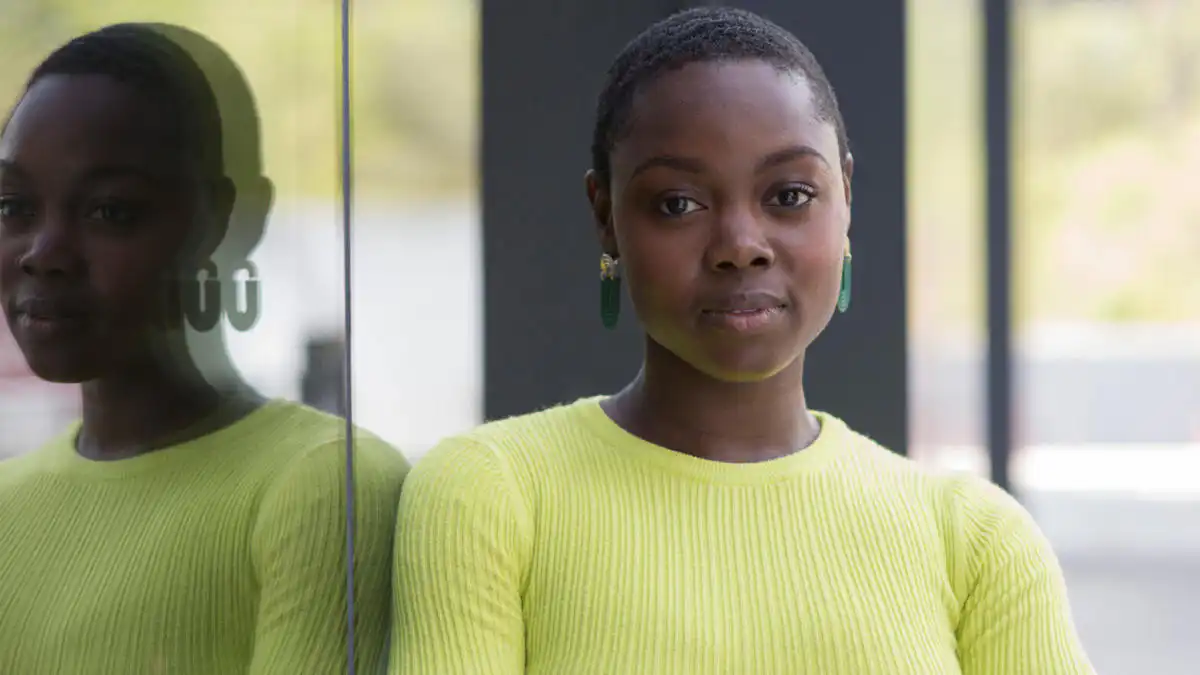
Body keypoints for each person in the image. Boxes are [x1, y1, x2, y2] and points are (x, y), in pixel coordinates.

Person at [390, 7, 1093, 675]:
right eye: (679, 204)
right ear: (606, 216)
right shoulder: (489, 494)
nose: (740, 246)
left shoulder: (976, 543)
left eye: (788, 195)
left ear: (845, 196)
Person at [0, 23, 408, 674]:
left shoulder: (327, 486)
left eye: (110, 211)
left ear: (222, 222)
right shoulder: (8, 504)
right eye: (13, 206)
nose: (43, 253)